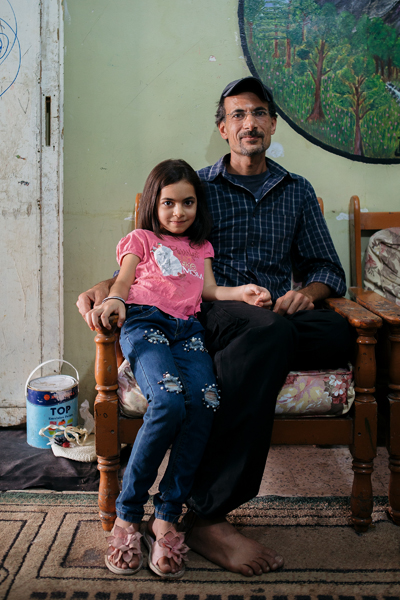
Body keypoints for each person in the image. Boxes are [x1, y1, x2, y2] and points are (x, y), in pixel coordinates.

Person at [77, 77, 351, 577]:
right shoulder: (198, 189)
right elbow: (153, 254)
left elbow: (329, 272)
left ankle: (237, 366)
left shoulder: (298, 191)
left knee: (334, 333)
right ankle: (205, 514)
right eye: (238, 115)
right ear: (223, 128)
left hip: (272, 316)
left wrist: (304, 295)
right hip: (213, 311)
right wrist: (106, 287)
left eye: (259, 113)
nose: (250, 123)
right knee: (266, 335)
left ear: (272, 122)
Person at [84, 158, 272, 578]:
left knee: (205, 403)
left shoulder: (200, 247)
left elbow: (208, 291)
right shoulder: (141, 239)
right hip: (146, 322)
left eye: (187, 203)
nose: (178, 212)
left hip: (188, 331)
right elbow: (123, 280)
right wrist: (114, 300)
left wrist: (244, 292)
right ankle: (128, 514)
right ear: (154, 203)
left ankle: (167, 514)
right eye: (168, 202)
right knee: (168, 402)